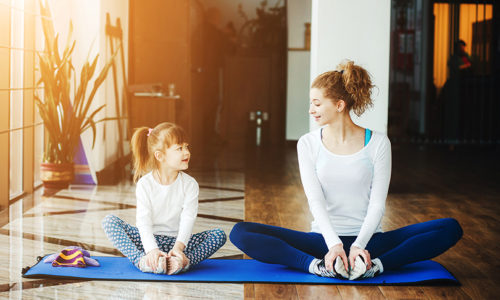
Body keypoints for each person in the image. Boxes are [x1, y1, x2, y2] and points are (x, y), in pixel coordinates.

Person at [230, 60, 463, 280]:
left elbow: (377, 204)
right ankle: (319, 266)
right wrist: (334, 245)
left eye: (317, 103)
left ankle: (373, 266)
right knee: (240, 232)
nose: (311, 110)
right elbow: (315, 200)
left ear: (340, 105)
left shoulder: (379, 143)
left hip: (371, 241)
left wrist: (360, 246)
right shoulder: (308, 143)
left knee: (450, 228)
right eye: (311, 103)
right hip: (322, 241)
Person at [102, 122, 227, 275]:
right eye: (179, 148)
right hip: (149, 241)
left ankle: (181, 261)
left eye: (187, 147)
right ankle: (143, 261)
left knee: (219, 235)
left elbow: (188, 218)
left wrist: (178, 248)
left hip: (178, 242)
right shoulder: (145, 184)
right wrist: (152, 249)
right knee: (109, 222)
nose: (186, 152)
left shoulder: (190, 184)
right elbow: (143, 221)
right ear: (160, 156)